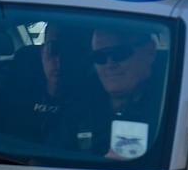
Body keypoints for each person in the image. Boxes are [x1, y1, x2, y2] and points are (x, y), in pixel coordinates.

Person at [48, 28, 160, 158]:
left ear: (150, 51)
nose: (109, 63)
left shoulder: (174, 106)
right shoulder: (79, 108)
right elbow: (48, 159)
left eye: (120, 53)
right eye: (99, 56)